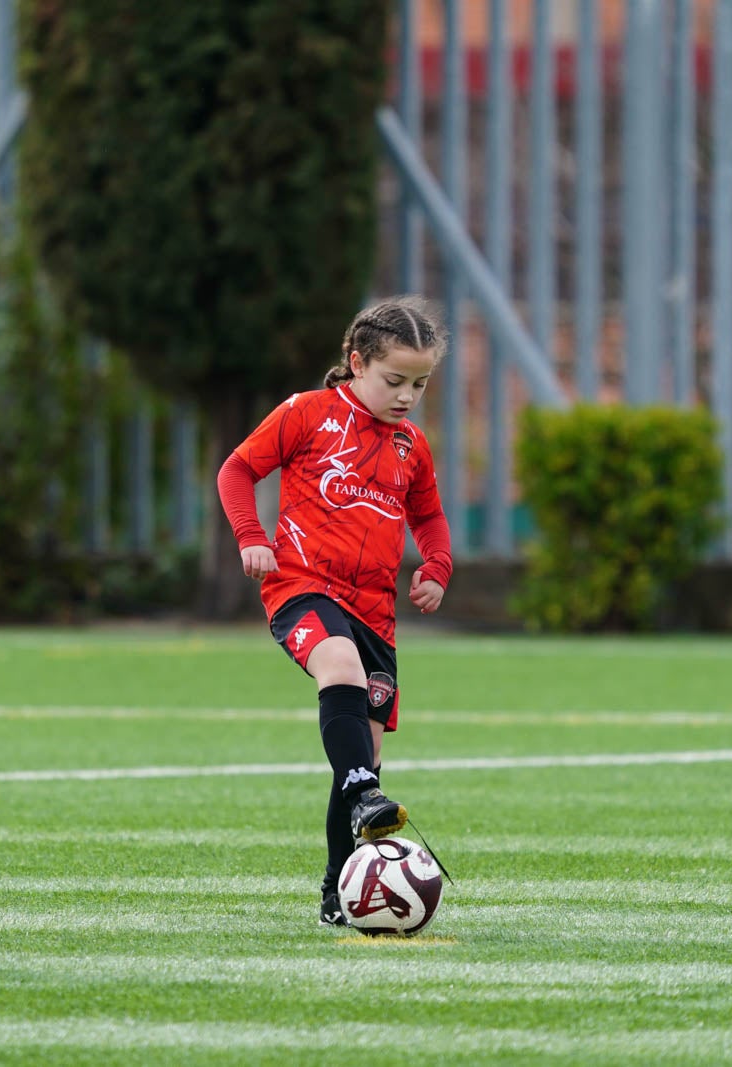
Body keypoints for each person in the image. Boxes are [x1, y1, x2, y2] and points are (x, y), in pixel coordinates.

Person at [217, 296, 454, 927]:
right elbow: (238, 470)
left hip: (376, 609)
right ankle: (361, 795)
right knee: (340, 669)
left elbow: (428, 516)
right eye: (394, 381)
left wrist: (435, 567)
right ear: (356, 363)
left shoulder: (411, 446)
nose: (407, 396)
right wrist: (250, 535)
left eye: (420, 384)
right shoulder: (309, 414)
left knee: (362, 759)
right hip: (302, 585)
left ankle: (336, 891)